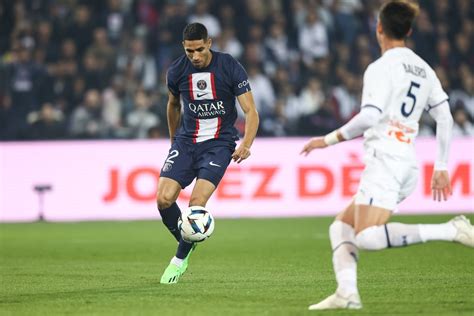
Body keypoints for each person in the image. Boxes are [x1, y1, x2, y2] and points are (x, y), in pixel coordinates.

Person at [300, 1, 474, 310]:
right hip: (406, 161)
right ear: (408, 31)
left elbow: (369, 117)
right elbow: (445, 117)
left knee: (366, 237)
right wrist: (442, 165)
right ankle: (347, 293)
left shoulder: (380, 68)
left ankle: (450, 229)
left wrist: (327, 140)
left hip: (385, 160)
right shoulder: (424, 68)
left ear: (379, 28)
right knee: (341, 227)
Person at [157, 23, 259, 284]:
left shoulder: (229, 66)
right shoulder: (177, 70)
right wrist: (173, 142)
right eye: (190, 51)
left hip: (218, 143)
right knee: (164, 200)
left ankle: (178, 261)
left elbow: (250, 111)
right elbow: (172, 105)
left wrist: (246, 143)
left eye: (200, 49)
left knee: (195, 205)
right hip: (186, 141)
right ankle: (188, 239)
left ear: (209, 43)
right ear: (184, 47)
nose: (195, 56)